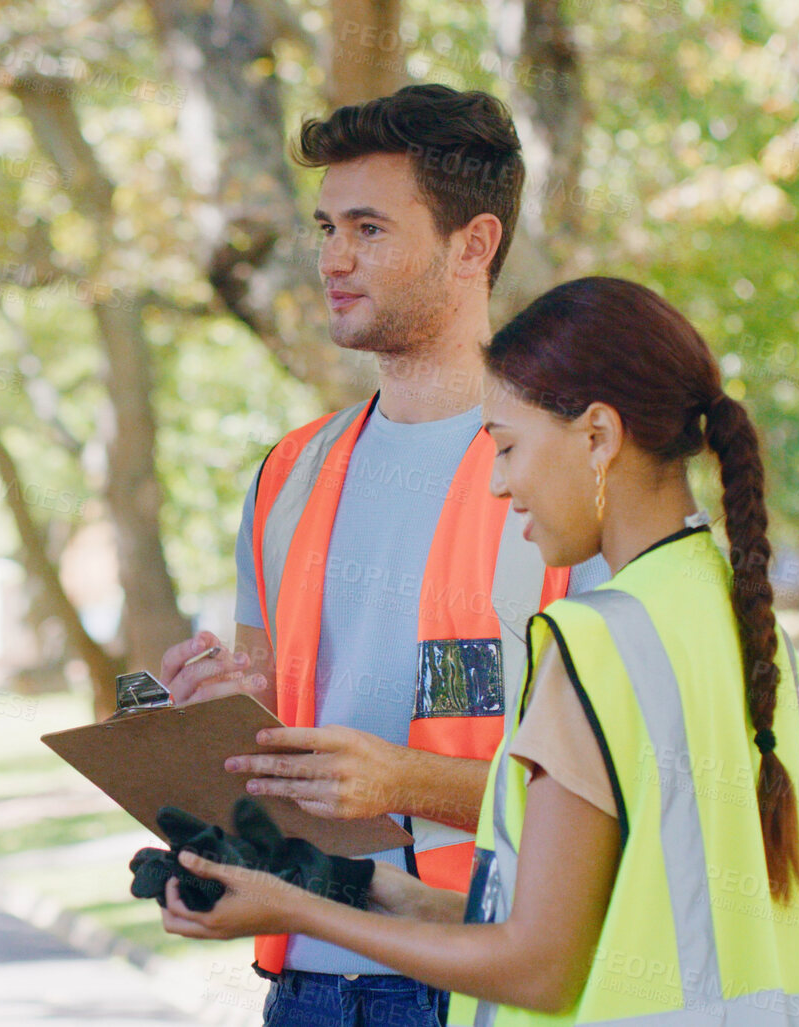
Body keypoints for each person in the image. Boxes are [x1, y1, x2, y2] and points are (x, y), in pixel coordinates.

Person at [159, 276, 799, 1025]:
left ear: (598, 437)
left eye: (507, 448)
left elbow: (536, 967)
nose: (501, 484)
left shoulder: (596, 643)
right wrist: (358, 884)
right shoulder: (733, 616)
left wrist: (296, 912)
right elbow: (596, 911)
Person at [156, 85, 604, 1025]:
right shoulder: (288, 472)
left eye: (368, 227)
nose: (331, 258)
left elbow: (619, 781)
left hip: (487, 974)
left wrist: (405, 780)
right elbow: (272, 731)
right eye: (325, 226)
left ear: (472, 245)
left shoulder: (575, 473)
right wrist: (210, 721)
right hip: (303, 976)